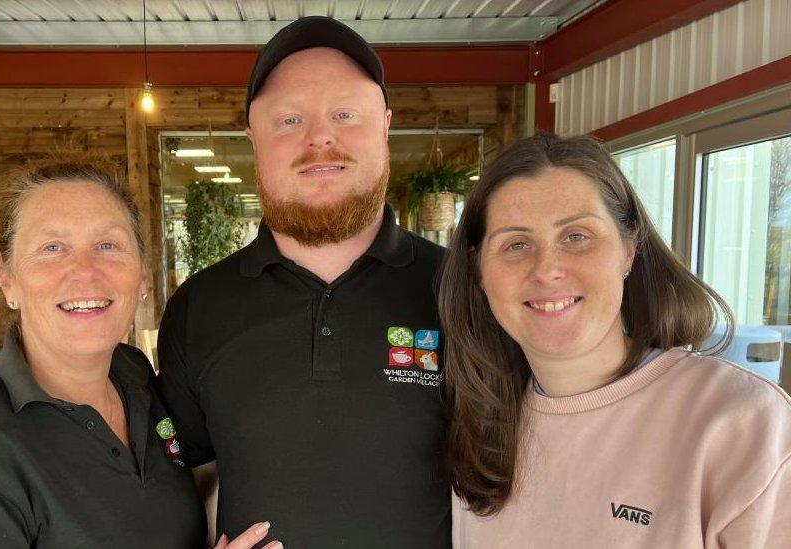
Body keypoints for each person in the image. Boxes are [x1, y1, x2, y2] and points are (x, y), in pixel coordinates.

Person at [157, 16, 451, 548]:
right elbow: (189, 482)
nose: (320, 137)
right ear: (253, 139)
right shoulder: (197, 309)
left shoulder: (465, 291)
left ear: (385, 124)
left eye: (344, 113)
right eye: (289, 119)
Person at [0, 164, 279, 549]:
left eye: (107, 245)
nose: (85, 271)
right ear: (7, 277)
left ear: (143, 273)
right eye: (52, 248)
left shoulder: (134, 376)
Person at [440, 133, 791, 547]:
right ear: (478, 269)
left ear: (628, 249)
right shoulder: (479, 419)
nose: (547, 269)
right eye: (516, 244)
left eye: (576, 236)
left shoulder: (743, 422)